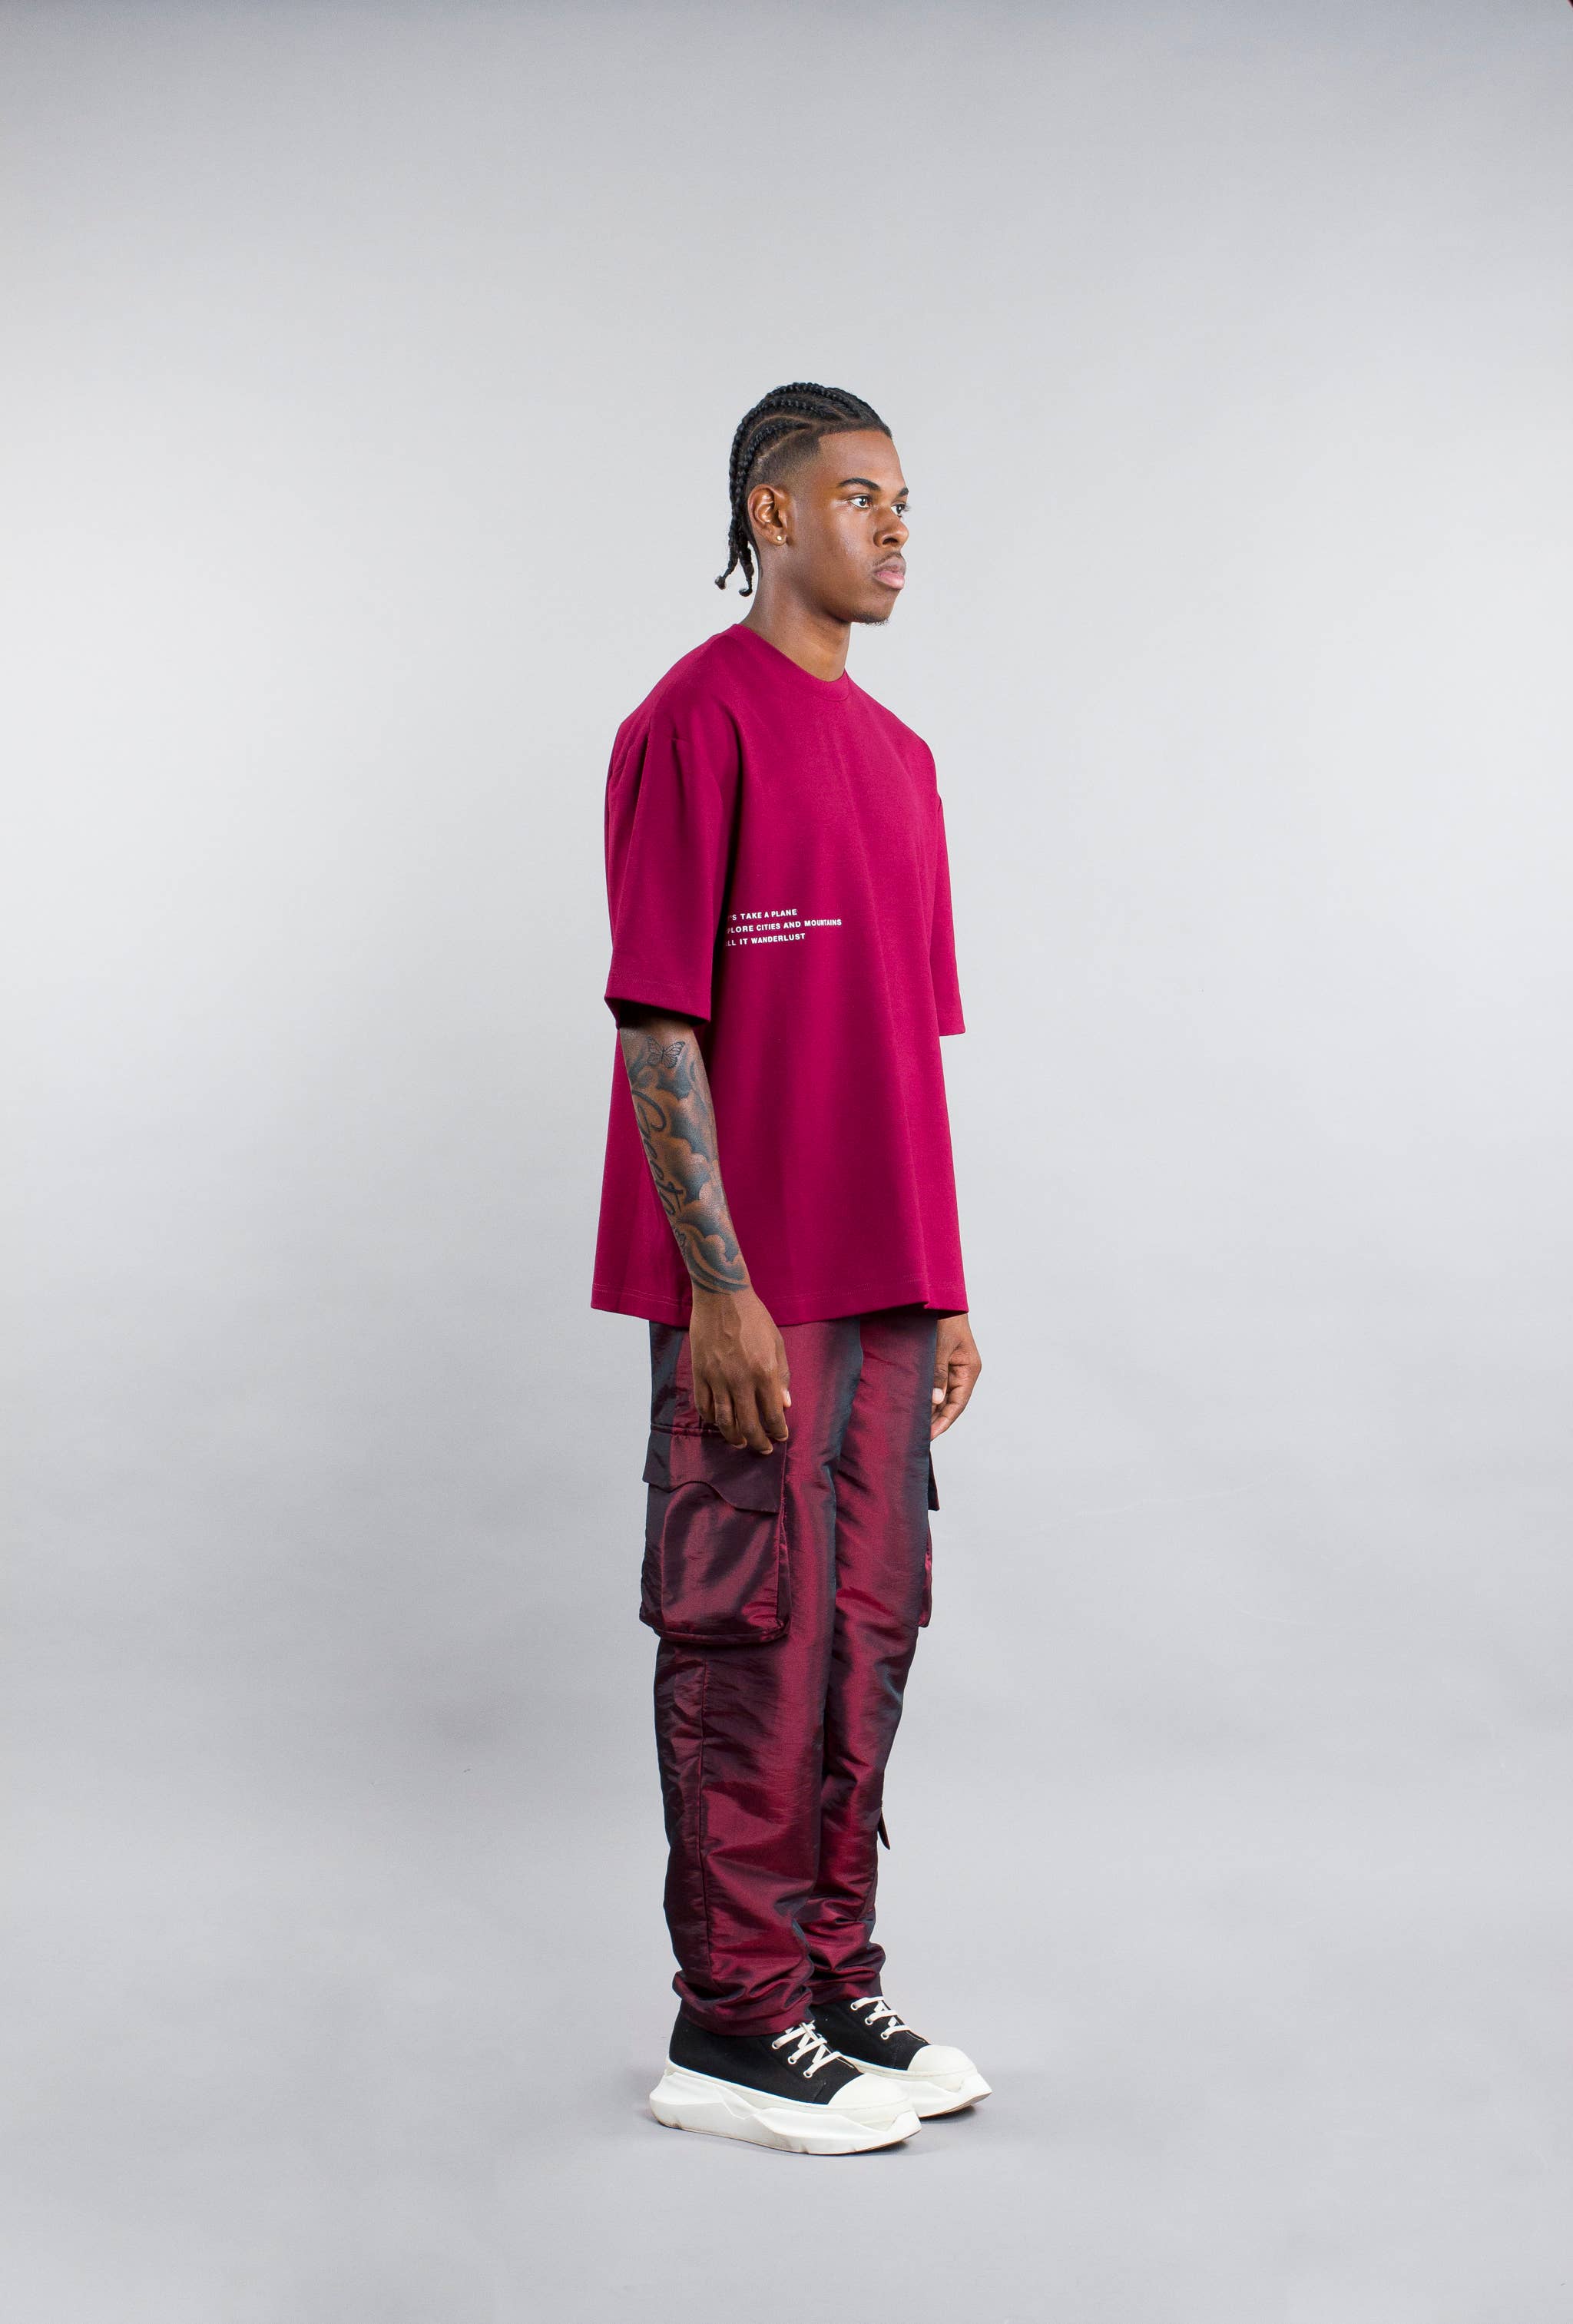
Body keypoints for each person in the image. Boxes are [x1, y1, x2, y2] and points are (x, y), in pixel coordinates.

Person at [592, 382, 987, 2155]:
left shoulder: (901, 759)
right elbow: (657, 1021)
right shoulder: (694, 722)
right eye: (858, 495)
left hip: (885, 1278)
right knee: (747, 1624)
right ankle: (730, 2019)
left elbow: (905, 1044)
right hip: (750, 1287)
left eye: (903, 501)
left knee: (867, 1621)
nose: (894, 528)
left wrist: (945, 1280)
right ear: (771, 513)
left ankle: (830, 1973)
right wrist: (719, 1287)